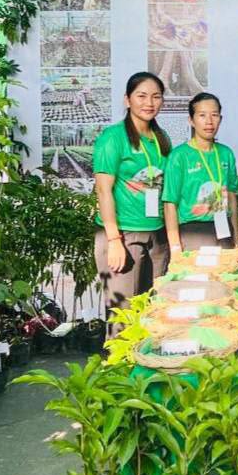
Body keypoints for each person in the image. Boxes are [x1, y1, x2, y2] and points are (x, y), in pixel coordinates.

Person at [93, 72, 173, 332]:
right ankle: (119, 360)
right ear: (127, 100)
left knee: (154, 314)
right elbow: (103, 190)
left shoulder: (161, 138)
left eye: (156, 96)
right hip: (124, 235)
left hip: (157, 235)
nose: (149, 103)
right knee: (124, 319)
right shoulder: (113, 137)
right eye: (142, 96)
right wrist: (114, 240)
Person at [162, 92, 238, 253]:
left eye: (214, 115)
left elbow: (232, 197)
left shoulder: (226, 153)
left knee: (227, 269)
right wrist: (175, 247)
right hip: (193, 232)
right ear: (191, 120)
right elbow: (170, 204)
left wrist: (237, 242)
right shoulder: (179, 156)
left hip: (223, 228)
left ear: (220, 119)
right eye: (202, 115)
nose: (209, 121)